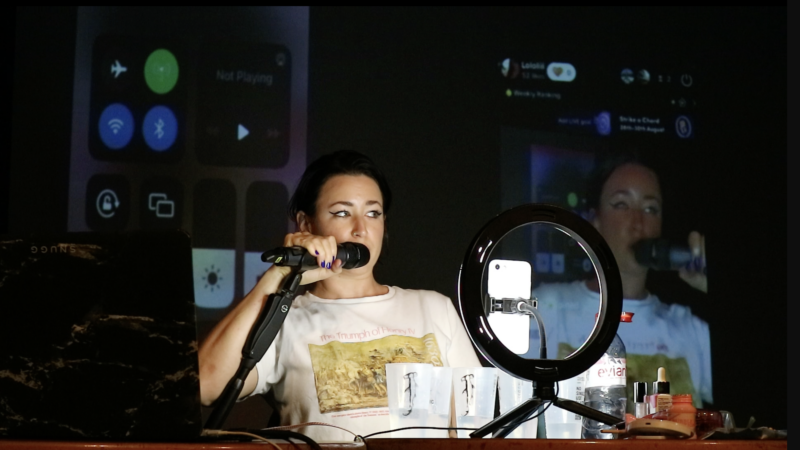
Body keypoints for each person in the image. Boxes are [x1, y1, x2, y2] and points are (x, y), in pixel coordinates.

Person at [199, 150, 480, 442]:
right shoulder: (285, 318)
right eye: (342, 212)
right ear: (306, 225)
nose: (361, 230)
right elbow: (206, 386)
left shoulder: (434, 309)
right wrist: (278, 276)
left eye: (373, 213)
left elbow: (480, 428)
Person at [530, 151, 712, 411]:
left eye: (651, 209)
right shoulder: (548, 308)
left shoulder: (688, 329)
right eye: (621, 205)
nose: (638, 222)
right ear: (595, 220)